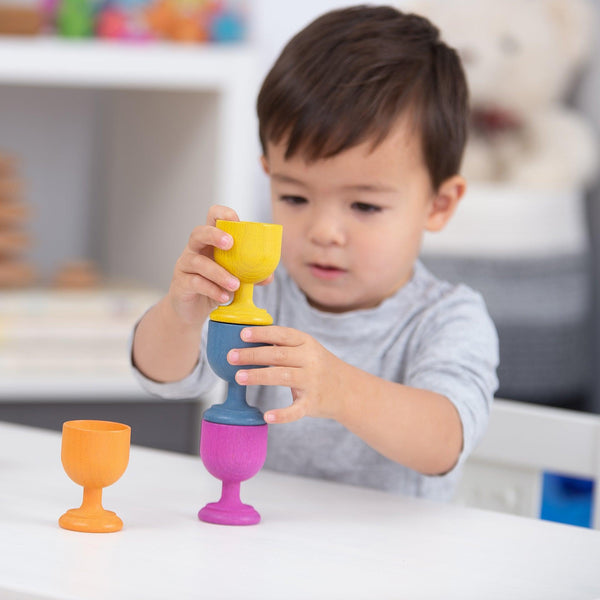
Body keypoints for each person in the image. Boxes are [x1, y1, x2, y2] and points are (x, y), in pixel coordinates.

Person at [131, 5, 499, 500]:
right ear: (269, 175)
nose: (324, 231)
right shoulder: (260, 294)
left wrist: (341, 390)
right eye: (295, 197)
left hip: (393, 567)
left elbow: (444, 442)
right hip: (255, 547)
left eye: (365, 205)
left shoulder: (448, 318)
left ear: (439, 204)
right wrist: (181, 312)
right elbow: (163, 379)